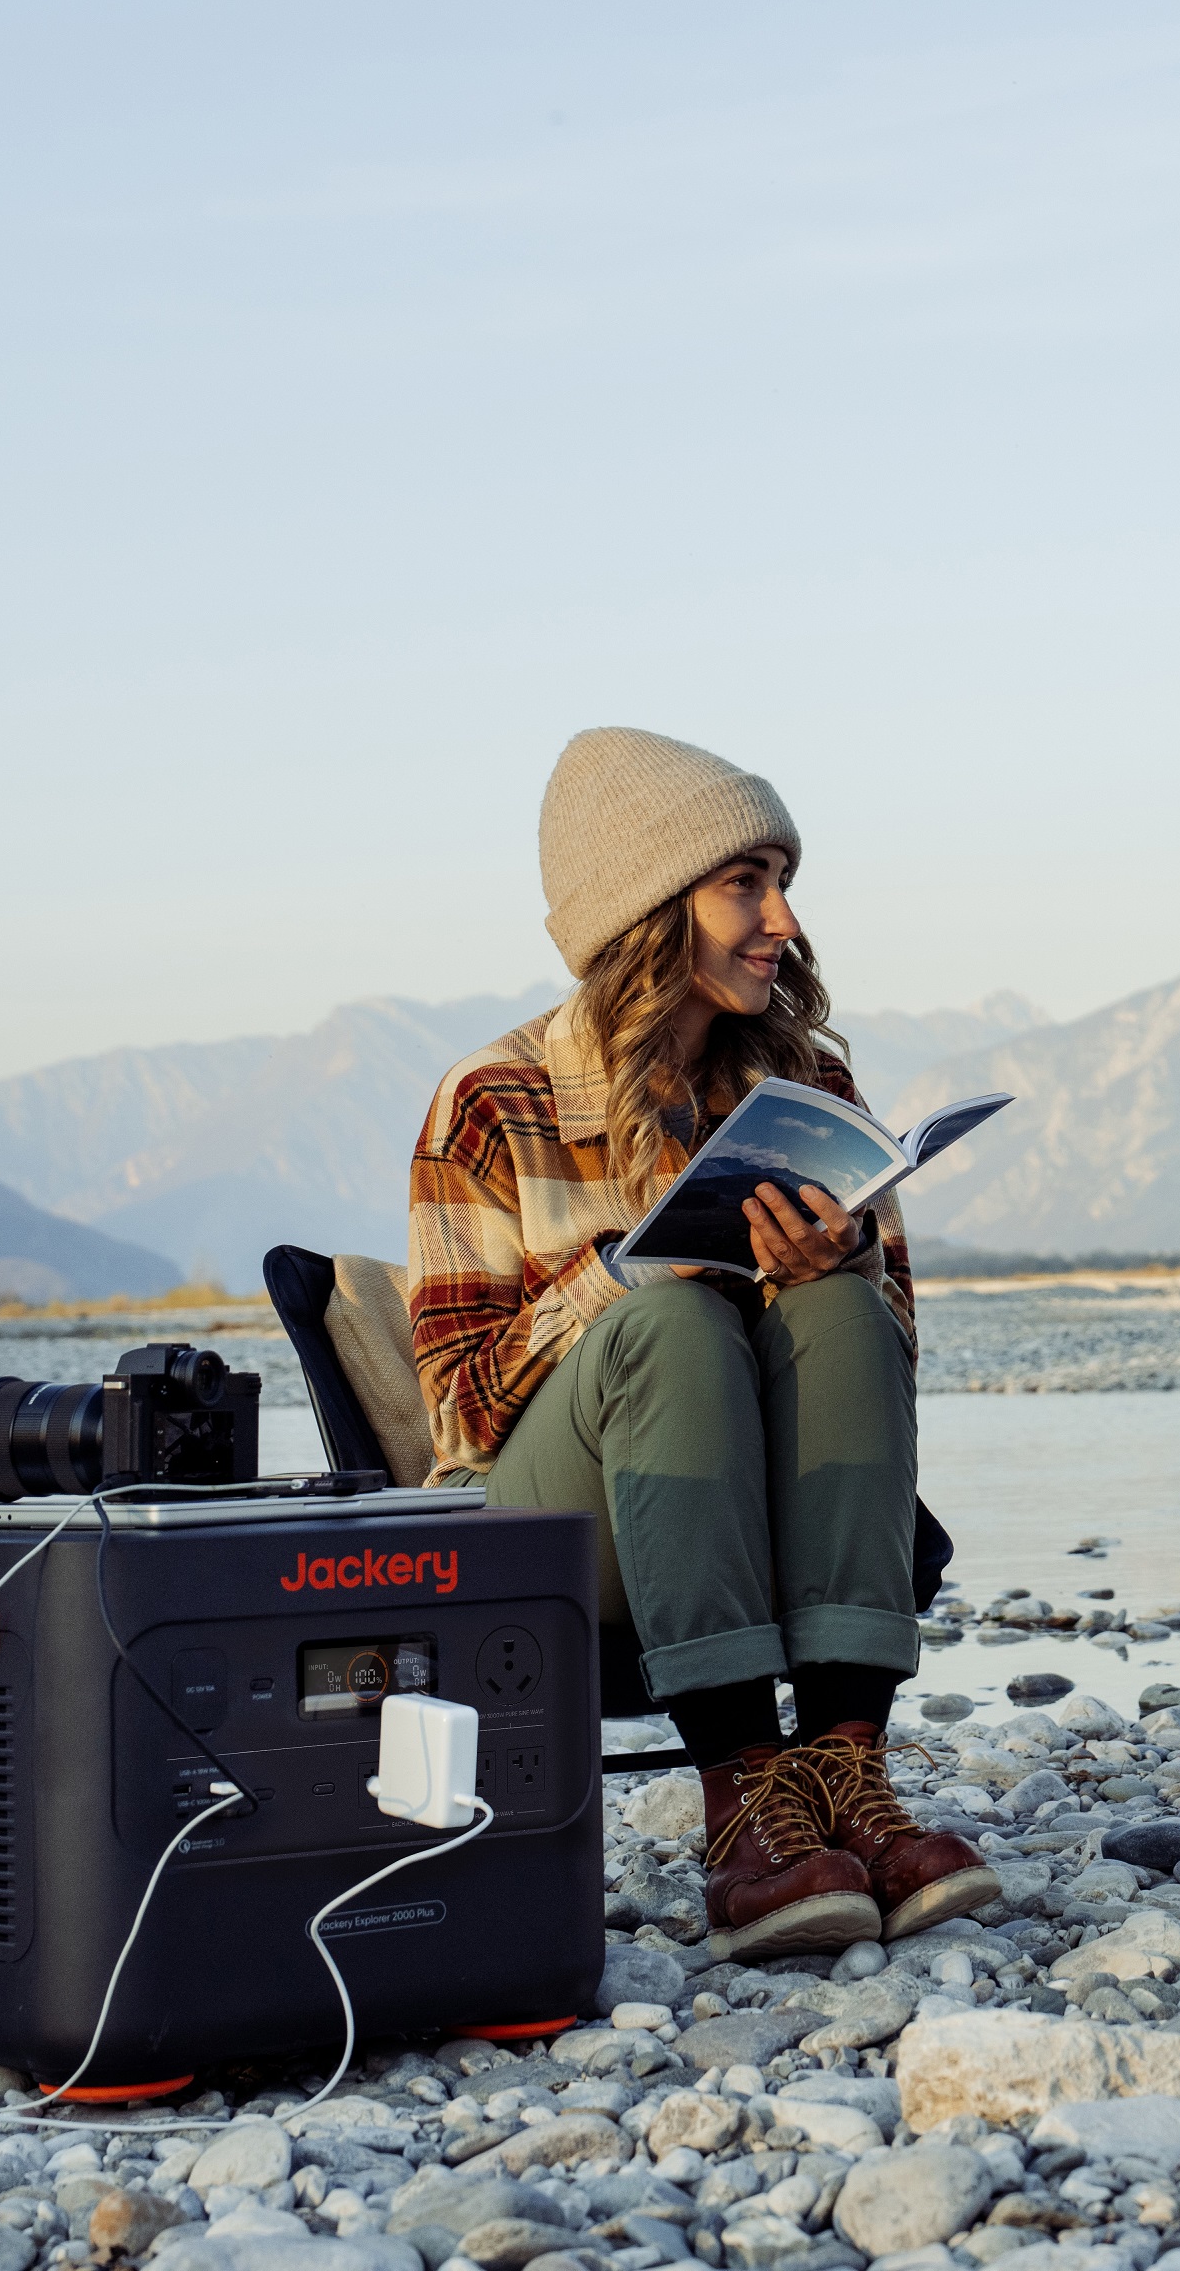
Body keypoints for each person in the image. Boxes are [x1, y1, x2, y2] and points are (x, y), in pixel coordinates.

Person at [407, 725, 996, 1963]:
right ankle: (744, 1808)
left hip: (761, 1523)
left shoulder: (810, 1094)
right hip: (554, 1546)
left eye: (784, 881)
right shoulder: (492, 1100)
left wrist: (837, 1272)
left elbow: (889, 1377)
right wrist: (618, 1278)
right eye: (747, 883)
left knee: (839, 1301)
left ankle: (842, 1779)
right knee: (665, 1312)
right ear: (648, 910)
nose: (783, 917)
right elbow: (457, 1414)